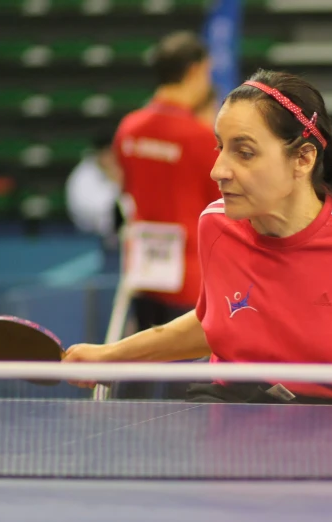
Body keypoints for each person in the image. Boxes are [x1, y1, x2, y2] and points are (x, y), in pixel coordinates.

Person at [65, 69, 332, 408]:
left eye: (245, 151)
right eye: (220, 147)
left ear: (304, 158)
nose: (219, 170)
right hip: (231, 441)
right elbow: (218, 322)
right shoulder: (216, 225)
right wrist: (112, 354)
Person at [110, 31, 220, 399]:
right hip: (189, 273)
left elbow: (127, 188)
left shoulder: (129, 129)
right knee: (182, 369)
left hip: (144, 268)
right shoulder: (199, 137)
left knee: (140, 354)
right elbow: (220, 202)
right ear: (194, 71)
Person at [65, 132, 123, 253]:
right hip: (87, 240)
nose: (113, 158)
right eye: (109, 153)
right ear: (100, 153)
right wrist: (115, 184)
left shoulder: (120, 171)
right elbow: (91, 210)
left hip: (119, 237)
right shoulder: (82, 176)